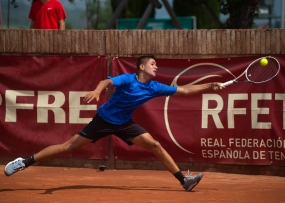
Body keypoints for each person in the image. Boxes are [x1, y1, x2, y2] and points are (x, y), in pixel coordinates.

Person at [4, 55, 223, 191]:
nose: (156, 67)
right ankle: (25, 162)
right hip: (103, 120)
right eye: (152, 64)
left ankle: (183, 181)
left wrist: (210, 85)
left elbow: (184, 90)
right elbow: (107, 81)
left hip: (125, 123)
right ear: (141, 67)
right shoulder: (129, 79)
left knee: (155, 145)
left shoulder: (155, 87)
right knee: (67, 147)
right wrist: (98, 90)